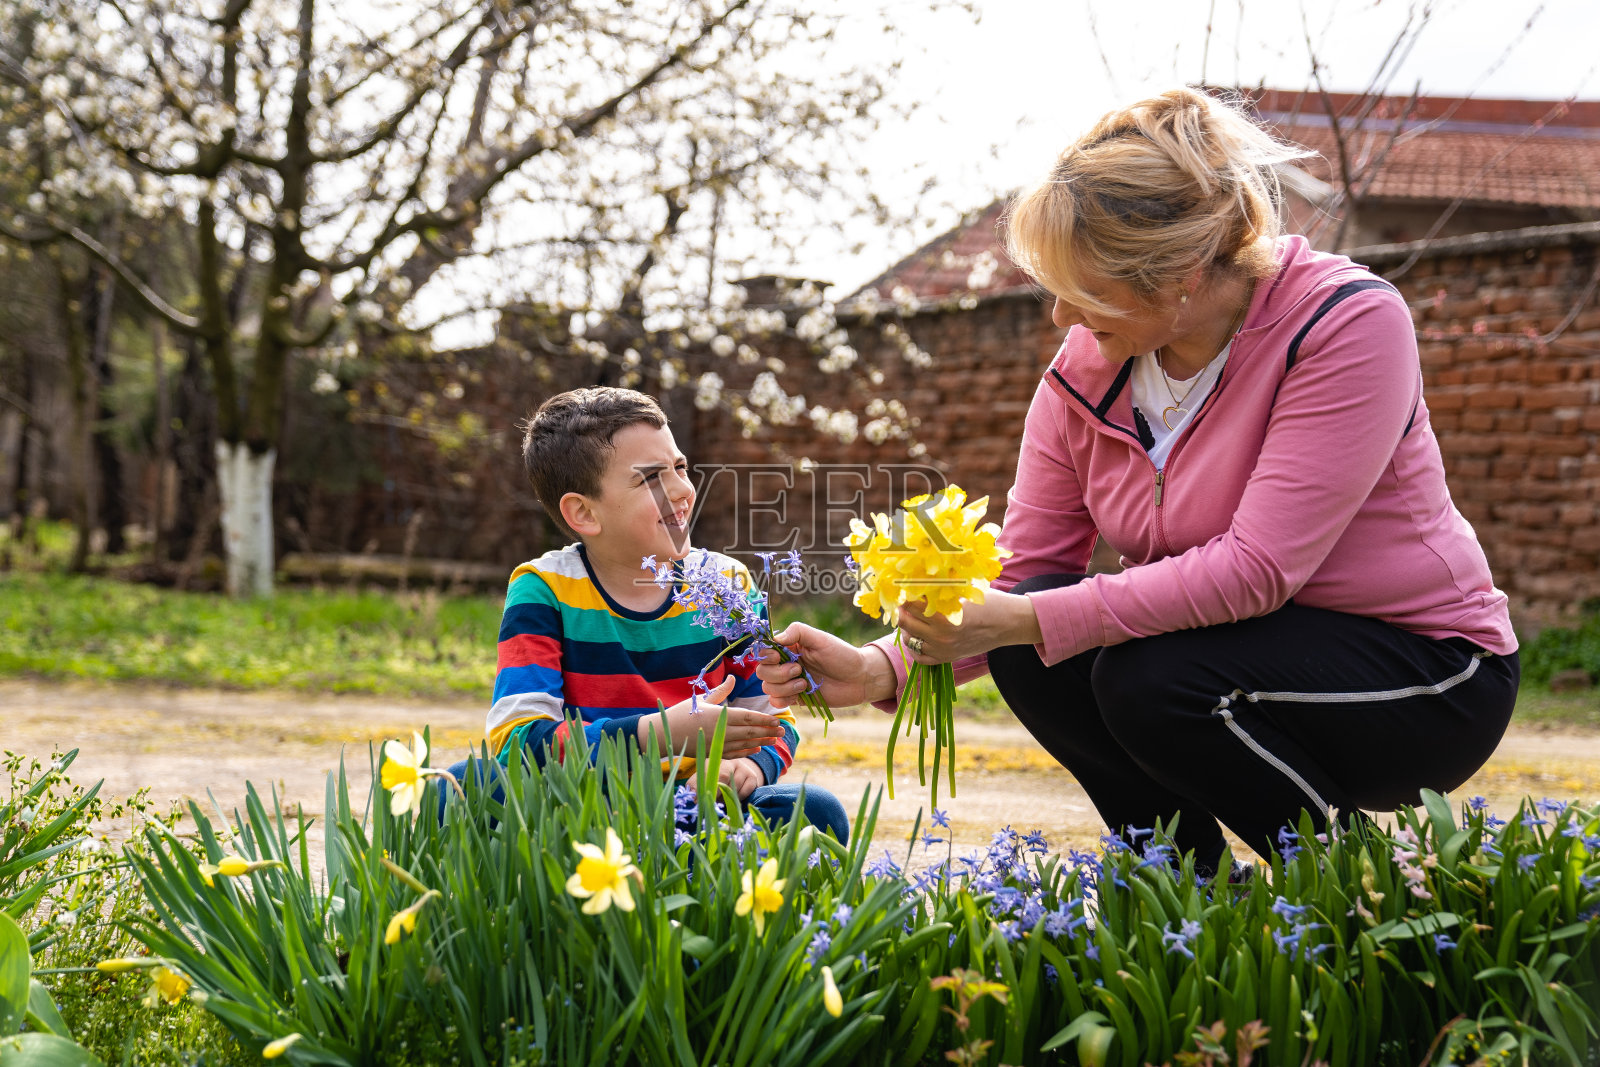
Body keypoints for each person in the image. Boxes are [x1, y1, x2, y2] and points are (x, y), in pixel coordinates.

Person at [758, 87, 1516, 875]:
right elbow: (1021, 573)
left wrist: (1027, 617)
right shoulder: (1083, 374)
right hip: (1218, 664)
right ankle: (1181, 902)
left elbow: (1257, 571)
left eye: (1082, 288)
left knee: (1145, 676)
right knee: (1043, 652)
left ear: (1178, 274)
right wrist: (887, 664)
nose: (1057, 315)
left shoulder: (1346, 323)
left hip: (1427, 677)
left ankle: (1351, 892)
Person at [449, 386, 849, 842]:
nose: (680, 489)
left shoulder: (728, 585)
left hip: (699, 805)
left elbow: (772, 719)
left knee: (814, 809)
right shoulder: (544, 590)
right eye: (651, 478)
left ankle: (688, 876)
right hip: (581, 804)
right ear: (584, 512)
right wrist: (657, 734)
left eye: (679, 467)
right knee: (462, 786)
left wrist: (748, 767)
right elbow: (518, 744)